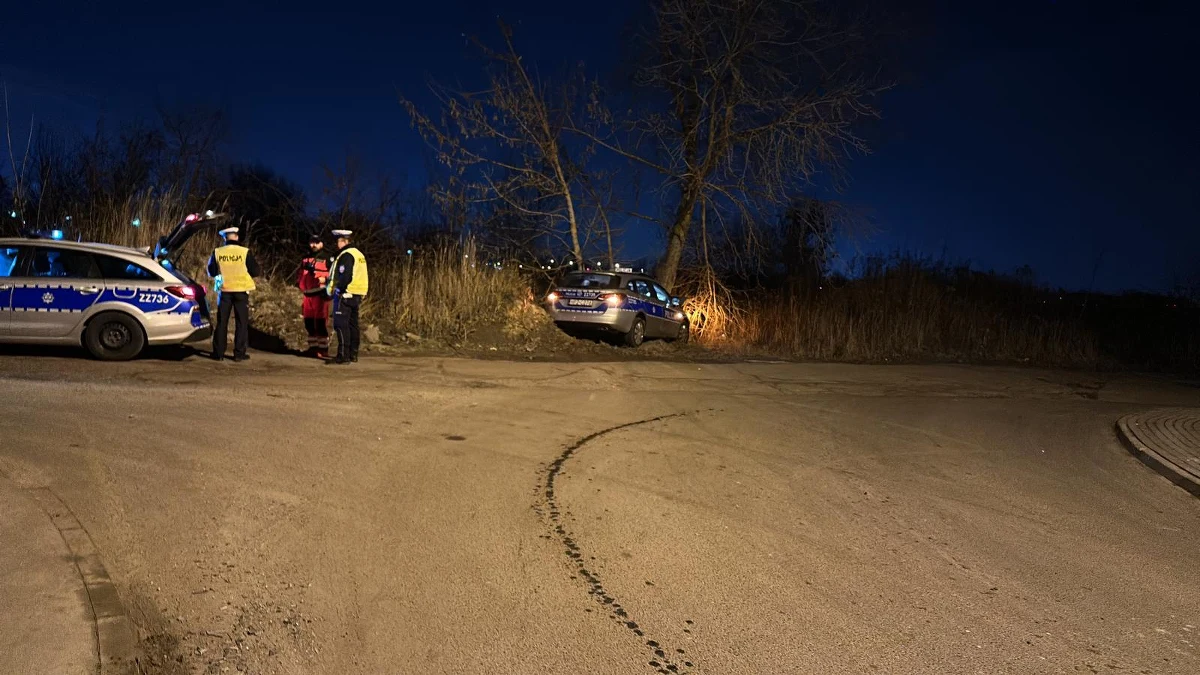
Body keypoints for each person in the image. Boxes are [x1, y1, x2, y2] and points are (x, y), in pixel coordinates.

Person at [207, 227, 261, 362]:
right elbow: (255, 271)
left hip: (224, 291)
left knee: (221, 323)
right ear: (237, 237)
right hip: (241, 291)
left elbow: (212, 271)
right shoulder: (244, 252)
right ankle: (239, 354)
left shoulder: (217, 252)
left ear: (225, 238)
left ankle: (218, 353)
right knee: (241, 323)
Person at [325, 229, 368, 365]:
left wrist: (338, 289)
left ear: (344, 241)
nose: (337, 244)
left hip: (345, 293)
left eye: (338, 241)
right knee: (352, 325)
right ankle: (353, 354)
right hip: (357, 293)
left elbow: (345, 275)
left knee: (341, 325)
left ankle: (343, 356)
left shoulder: (346, 255)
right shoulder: (358, 254)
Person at [297, 234, 332, 358]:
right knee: (309, 323)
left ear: (322, 243)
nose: (313, 245)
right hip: (307, 295)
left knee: (321, 323)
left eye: (316, 242)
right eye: (312, 242)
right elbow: (301, 274)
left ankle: (323, 350)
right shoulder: (306, 258)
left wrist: (328, 288)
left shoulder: (328, 258)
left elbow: (333, 277)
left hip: (320, 295)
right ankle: (313, 348)